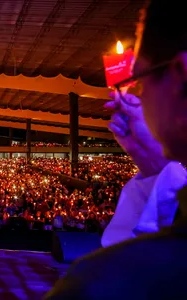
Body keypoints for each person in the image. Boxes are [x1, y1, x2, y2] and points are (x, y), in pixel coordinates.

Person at [46, 1, 187, 298]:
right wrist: (154, 168)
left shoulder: (101, 283)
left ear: (179, 75)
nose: (139, 93)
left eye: (140, 80)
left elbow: (137, 264)